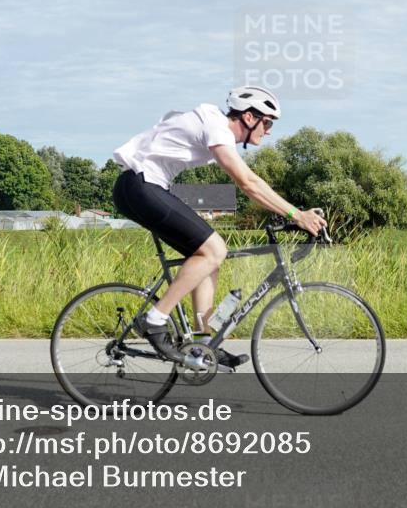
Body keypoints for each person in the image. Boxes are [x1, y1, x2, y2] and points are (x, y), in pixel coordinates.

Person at [111, 85, 327, 367]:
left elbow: (249, 181)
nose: (270, 130)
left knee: (206, 258)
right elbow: (248, 183)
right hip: (140, 185)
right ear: (249, 118)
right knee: (215, 249)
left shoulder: (215, 128)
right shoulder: (217, 128)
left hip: (143, 186)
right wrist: (297, 215)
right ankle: (154, 320)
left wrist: (289, 213)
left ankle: (203, 345)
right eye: (267, 122)